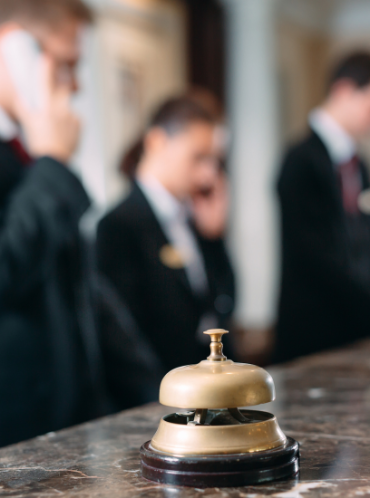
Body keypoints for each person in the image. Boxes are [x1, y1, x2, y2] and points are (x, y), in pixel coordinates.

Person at [0, 0, 104, 447]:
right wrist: (54, 162)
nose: (75, 85)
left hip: (62, 428)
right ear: (15, 49)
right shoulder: (42, 164)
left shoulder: (27, 155)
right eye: (66, 65)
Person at [97, 97, 235, 410]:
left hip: (207, 396)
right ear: (157, 142)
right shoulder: (116, 226)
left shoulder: (196, 218)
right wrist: (162, 401)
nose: (208, 176)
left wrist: (215, 239)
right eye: (198, 158)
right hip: (158, 402)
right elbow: (124, 337)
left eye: (214, 161)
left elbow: (222, 305)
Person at [275, 52, 370, 363]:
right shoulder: (300, 161)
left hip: (355, 329)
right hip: (313, 332)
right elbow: (313, 253)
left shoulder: (360, 167)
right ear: (344, 91)